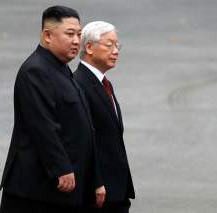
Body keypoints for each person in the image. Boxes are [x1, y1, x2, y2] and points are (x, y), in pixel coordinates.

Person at [0, 6, 105, 213]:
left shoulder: (61, 68)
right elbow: (42, 125)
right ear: (47, 35)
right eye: (70, 34)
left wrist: (95, 178)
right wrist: (61, 168)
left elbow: (83, 128)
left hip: (64, 188)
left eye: (79, 35)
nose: (77, 41)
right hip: (36, 190)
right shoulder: (35, 71)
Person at [74, 21, 135, 213]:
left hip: (116, 189)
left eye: (117, 46)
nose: (116, 51)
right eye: (109, 45)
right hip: (99, 193)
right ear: (89, 47)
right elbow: (83, 141)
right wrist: (95, 181)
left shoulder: (103, 83)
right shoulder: (79, 85)